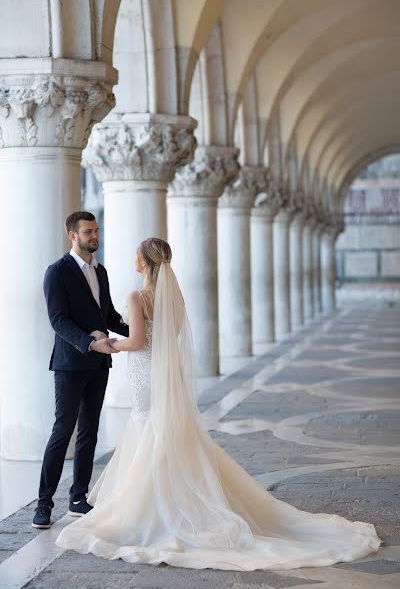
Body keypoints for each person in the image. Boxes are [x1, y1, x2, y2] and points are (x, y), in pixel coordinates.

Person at [56, 237, 381, 571]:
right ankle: (168, 497)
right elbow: (170, 335)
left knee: (148, 427)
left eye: (136, 255)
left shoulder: (137, 297)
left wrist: (111, 343)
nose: (133, 259)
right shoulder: (175, 298)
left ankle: (152, 507)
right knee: (163, 430)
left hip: (146, 377)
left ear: (145, 261)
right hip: (166, 375)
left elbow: (138, 341)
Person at [32, 211, 129, 530]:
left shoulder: (100, 271)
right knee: (63, 430)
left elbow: (108, 315)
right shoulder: (56, 272)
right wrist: (90, 343)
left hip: (100, 364)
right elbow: (58, 320)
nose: (94, 236)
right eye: (88, 231)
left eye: (96, 231)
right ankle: (44, 503)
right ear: (72, 234)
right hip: (71, 363)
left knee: (89, 431)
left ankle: (78, 497)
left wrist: (140, 329)